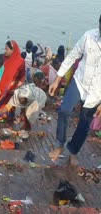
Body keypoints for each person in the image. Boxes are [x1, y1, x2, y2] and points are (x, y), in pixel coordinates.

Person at [48, 15, 101, 165]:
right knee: (64, 110)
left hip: (97, 93)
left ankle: (72, 151)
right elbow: (72, 56)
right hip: (79, 82)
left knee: (84, 127)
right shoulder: (88, 36)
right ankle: (59, 144)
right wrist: (58, 79)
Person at [0, 40, 26, 112]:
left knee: (6, 108)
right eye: (5, 49)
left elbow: (22, 76)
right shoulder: (3, 57)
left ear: (13, 50)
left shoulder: (20, 62)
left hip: (11, 88)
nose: (5, 51)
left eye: (7, 49)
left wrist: (16, 87)